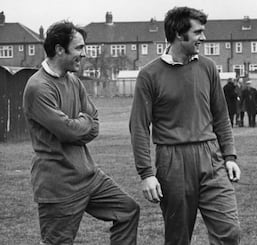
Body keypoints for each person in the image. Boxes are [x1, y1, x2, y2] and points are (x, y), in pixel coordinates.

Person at [129, 6, 241, 245]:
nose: (204, 37)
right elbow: (139, 127)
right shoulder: (149, 75)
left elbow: (221, 116)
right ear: (180, 34)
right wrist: (146, 174)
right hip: (173, 162)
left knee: (229, 231)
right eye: (198, 32)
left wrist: (229, 156)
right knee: (178, 239)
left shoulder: (208, 67)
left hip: (211, 158)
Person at [23, 21, 139, 245]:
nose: (84, 54)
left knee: (127, 210)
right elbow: (68, 132)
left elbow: (94, 123)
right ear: (59, 49)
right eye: (79, 48)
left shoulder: (74, 81)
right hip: (58, 185)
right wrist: (83, 122)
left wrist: (82, 122)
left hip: (89, 177)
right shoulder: (38, 87)